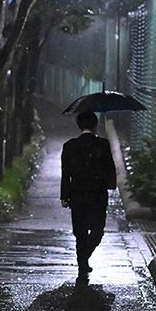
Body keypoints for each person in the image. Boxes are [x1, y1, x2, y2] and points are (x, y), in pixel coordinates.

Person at [60, 111, 117, 281]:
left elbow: (65, 174)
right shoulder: (103, 145)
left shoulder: (69, 146)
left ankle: (82, 261)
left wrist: (65, 195)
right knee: (97, 231)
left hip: (77, 194)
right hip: (98, 195)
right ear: (95, 125)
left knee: (80, 232)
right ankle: (84, 260)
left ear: (79, 125)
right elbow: (110, 168)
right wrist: (110, 185)